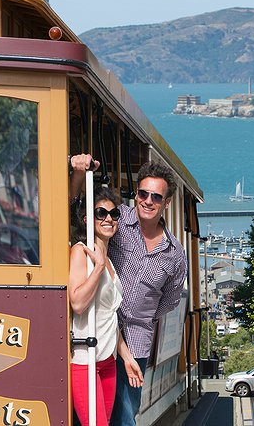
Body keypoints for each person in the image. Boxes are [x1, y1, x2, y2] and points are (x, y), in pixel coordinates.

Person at [70, 157, 188, 426]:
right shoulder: (116, 218)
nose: (147, 201)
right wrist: (78, 171)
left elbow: (169, 300)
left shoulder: (174, 253)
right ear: (136, 194)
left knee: (124, 418)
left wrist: (140, 317)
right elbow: (76, 208)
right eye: (143, 193)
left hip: (132, 342)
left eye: (156, 197)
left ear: (165, 203)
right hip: (93, 337)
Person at [69, 187, 124, 426]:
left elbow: (109, 316)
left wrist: (127, 357)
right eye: (101, 213)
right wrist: (99, 267)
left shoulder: (109, 259)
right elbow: (78, 303)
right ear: (87, 218)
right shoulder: (81, 252)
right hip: (85, 361)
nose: (108, 218)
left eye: (114, 214)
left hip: (108, 362)